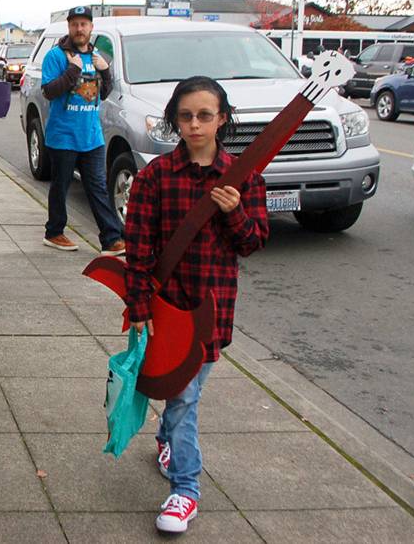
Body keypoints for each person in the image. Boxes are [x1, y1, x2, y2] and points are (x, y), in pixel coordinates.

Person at [123, 76, 269, 534]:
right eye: (185, 116)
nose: (195, 124)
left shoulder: (244, 179)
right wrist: (140, 304)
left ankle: (180, 475)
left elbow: (253, 243)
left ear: (222, 119)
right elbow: (139, 245)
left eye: (205, 115)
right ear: (175, 120)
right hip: (166, 309)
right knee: (181, 396)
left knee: (184, 397)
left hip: (212, 310)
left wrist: (234, 211)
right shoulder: (155, 176)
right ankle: (185, 485)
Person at [40, 5, 125, 255]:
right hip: (63, 136)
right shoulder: (56, 57)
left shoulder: (98, 56)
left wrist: (105, 71)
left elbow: (104, 92)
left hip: (92, 136)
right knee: (61, 185)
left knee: (97, 187)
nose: (79, 29)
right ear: (69, 27)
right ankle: (54, 232)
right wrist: (73, 70)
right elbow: (49, 91)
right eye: (75, 24)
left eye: (84, 24)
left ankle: (111, 239)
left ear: (91, 27)